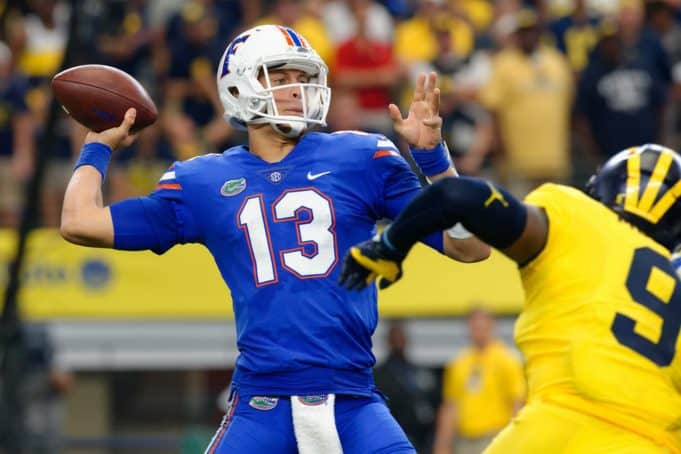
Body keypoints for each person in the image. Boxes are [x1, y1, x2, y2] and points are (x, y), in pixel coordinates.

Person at [59, 24, 490, 453]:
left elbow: (471, 247)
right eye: (280, 79)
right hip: (262, 403)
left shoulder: (362, 157)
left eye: (302, 79)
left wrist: (435, 161)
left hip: (354, 399)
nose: (295, 90)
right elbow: (80, 221)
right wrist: (97, 145)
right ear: (237, 89)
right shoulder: (203, 180)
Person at [340, 143, 681, 452]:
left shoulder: (578, 215)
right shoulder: (674, 283)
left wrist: (389, 245)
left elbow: (457, 197)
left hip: (562, 425)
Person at [432, 307, 525, 454]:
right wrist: (442, 445)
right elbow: (451, 406)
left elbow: (516, 403)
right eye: (474, 327)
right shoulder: (459, 362)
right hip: (465, 440)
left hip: (495, 436)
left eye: (482, 326)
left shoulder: (507, 360)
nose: (478, 331)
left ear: (492, 326)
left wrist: (517, 441)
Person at [373, 321, 439, 452]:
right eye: (395, 337)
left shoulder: (418, 371)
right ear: (388, 341)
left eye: (401, 337)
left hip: (421, 439)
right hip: (392, 439)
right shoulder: (378, 375)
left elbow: (435, 404)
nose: (398, 341)